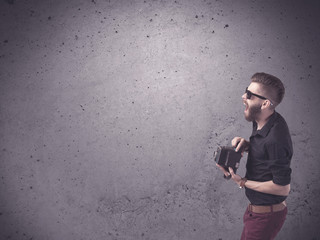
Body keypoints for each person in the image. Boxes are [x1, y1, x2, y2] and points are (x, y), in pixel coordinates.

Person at [217, 72, 293, 240]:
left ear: (265, 103)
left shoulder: (275, 138)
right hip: (256, 213)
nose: (243, 96)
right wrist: (248, 145)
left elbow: (283, 188)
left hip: (266, 217)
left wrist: (243, 182)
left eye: (250, 95)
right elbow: (266, 152)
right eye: (246, 91)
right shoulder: (262, 119)